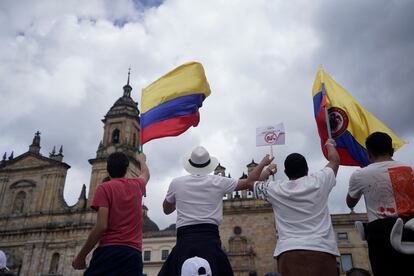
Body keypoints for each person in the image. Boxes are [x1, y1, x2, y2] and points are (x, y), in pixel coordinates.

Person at [159, 146, 275, 276]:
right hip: (210, 241)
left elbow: (166, 209)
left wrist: (180, 200)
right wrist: (265, 167)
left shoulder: (176, 183)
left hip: (185, 241)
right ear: (208, 165)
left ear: (190, 164)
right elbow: (250, 182)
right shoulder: (218, 181)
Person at [249, 138, 340, 276]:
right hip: (322, 250)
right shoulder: (320, 180)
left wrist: (266, 168)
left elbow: (251, 182)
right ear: (307, 169)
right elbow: (334, 161)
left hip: (288, 252)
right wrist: (329, 145)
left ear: (285, 172)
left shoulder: (276, 189)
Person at [346, 132, 414, 276]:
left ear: (369, 153)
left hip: (380, 235)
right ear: (392, 150)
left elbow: (350, 201)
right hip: (411, 229)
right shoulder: (410, 169)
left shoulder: (360, 175)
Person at [72, 151, 150, 276]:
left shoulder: (104, 188)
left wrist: (81, 256)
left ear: (108, 169)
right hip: (133, 254)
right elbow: (146, 174)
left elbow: (102, 225)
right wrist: (142, 160)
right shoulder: (137, 185)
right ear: (126, 169)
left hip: (109, 251)